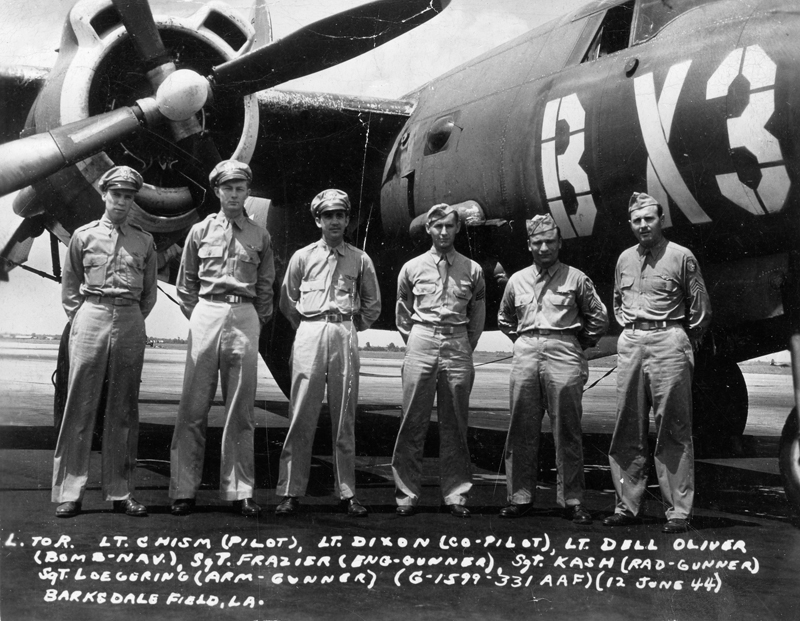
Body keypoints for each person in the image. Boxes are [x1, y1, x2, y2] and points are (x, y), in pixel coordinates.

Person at [169, 160, 275, 517]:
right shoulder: (199, 232)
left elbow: (265, 287)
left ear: (248, 191)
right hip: (207, 311)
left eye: (240, 188)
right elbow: (186, 284)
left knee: (241, 410)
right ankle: (184, 489)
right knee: (193, 407)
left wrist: (252, 319)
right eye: (227, 188)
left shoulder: (260, 236)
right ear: (217, 191)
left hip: (244, 314)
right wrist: (203, 314)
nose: (234, 194)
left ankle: (240, 490)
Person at [52, 165, 156, 518]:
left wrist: (128, 317)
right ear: (104, 194)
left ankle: (121, 491)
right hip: (91, 314)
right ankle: (70, 491)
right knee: (79, 405)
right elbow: (70, 287)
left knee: (124, 408)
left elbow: (149, 295)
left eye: (128, 196)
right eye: (117, 195)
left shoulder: (144, 240)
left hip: (129, 318)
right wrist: (83, 318)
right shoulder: (83, 236)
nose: (122, 202)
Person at [604, 192, 711, 534]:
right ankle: (627, 505)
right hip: (632, 341)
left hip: (669, 340)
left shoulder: (681, 257)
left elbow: (700, 309)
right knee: (627, 425)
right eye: (636, 220)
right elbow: (618, 301)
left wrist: (676, 338)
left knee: (673, 428)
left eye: (649, 219)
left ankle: (678, 510)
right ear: (631, 224)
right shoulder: (623, 258)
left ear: (661, 220)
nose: (643, 226)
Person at [274, 189, 381, 517]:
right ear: (318, 220)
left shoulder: (360, 259)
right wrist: (307, 326)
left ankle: (347, 493)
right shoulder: (302, 257)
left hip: (343, 331)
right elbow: (286, 300)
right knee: (301, 413)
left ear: (348, 219)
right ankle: (291, 491)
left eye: (340, 215)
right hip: (310, 330)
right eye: (328, 215)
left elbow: (372, 304)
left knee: (344, 417)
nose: (334, 221)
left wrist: (349, 326)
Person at [497, 214, 608, 522]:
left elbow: (598, 318)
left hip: (564, 352)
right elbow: (505, 319)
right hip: (526, 353)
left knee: (568, 431)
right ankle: (520, 497)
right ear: (529, 245)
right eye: (537, 242)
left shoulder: (576, 278)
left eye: (549, 241)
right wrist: (527, 341)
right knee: (520, 429)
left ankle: (572, 500)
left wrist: (574, 344)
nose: (544, 247)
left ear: (559, 243)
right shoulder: (516, 280)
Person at [392, 203, 486, 518]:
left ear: (458, 228)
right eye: (437, 226)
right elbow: (403, 314)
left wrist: (459, 344)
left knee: (456, 423)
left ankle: (456, 495)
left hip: (458, 342)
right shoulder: (411, 268)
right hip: (421, 339)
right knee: (412, 421)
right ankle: (406, 495)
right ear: (428, 229)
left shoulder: (473, 270)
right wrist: (420, 340)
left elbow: (476, 318)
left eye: (449, 226)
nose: (443, 232)